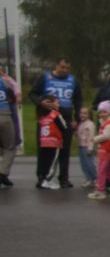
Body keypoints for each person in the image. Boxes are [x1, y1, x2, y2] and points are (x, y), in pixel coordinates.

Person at [32, 58, 78, 186]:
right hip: (47, 118)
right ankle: (42, 176)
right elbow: (33, 93)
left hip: (65, 117)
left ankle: (63, 178)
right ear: (56, 66)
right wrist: (41, 102)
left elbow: (78, 99)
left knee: (65, 150)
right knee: (45, 149)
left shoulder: (73, 80)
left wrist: (77, 118)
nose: (65, 70)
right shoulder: (45, 77)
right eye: (62, 67)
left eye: (67, 68)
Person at [33, 97, 68, 190]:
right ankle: (46, 180)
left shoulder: (41, 116)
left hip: (44, 142)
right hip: (54, 142)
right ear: (50, 104)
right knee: (52, 162)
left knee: (44, 161)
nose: (58, 105)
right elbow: (64, 126)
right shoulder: (55, 114)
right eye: (57, 103)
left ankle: (42, 178)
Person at [0, 64, 22, 187]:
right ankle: (3, 173)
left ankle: (3, 174)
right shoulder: (6, 81)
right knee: (10, 146)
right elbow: (16, 96)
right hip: (5, 115)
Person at [76, 108, 99, 188]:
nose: (82, 115)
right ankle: (89, 179)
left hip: (87, 147)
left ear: (89, 115)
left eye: (85, 113)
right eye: (81, 113)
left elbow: (91, 137)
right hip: (81, 146)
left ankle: (96, 179)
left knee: (90, 164)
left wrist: (90, 148)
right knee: (84, 164)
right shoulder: (81, 123)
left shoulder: (90, 124)